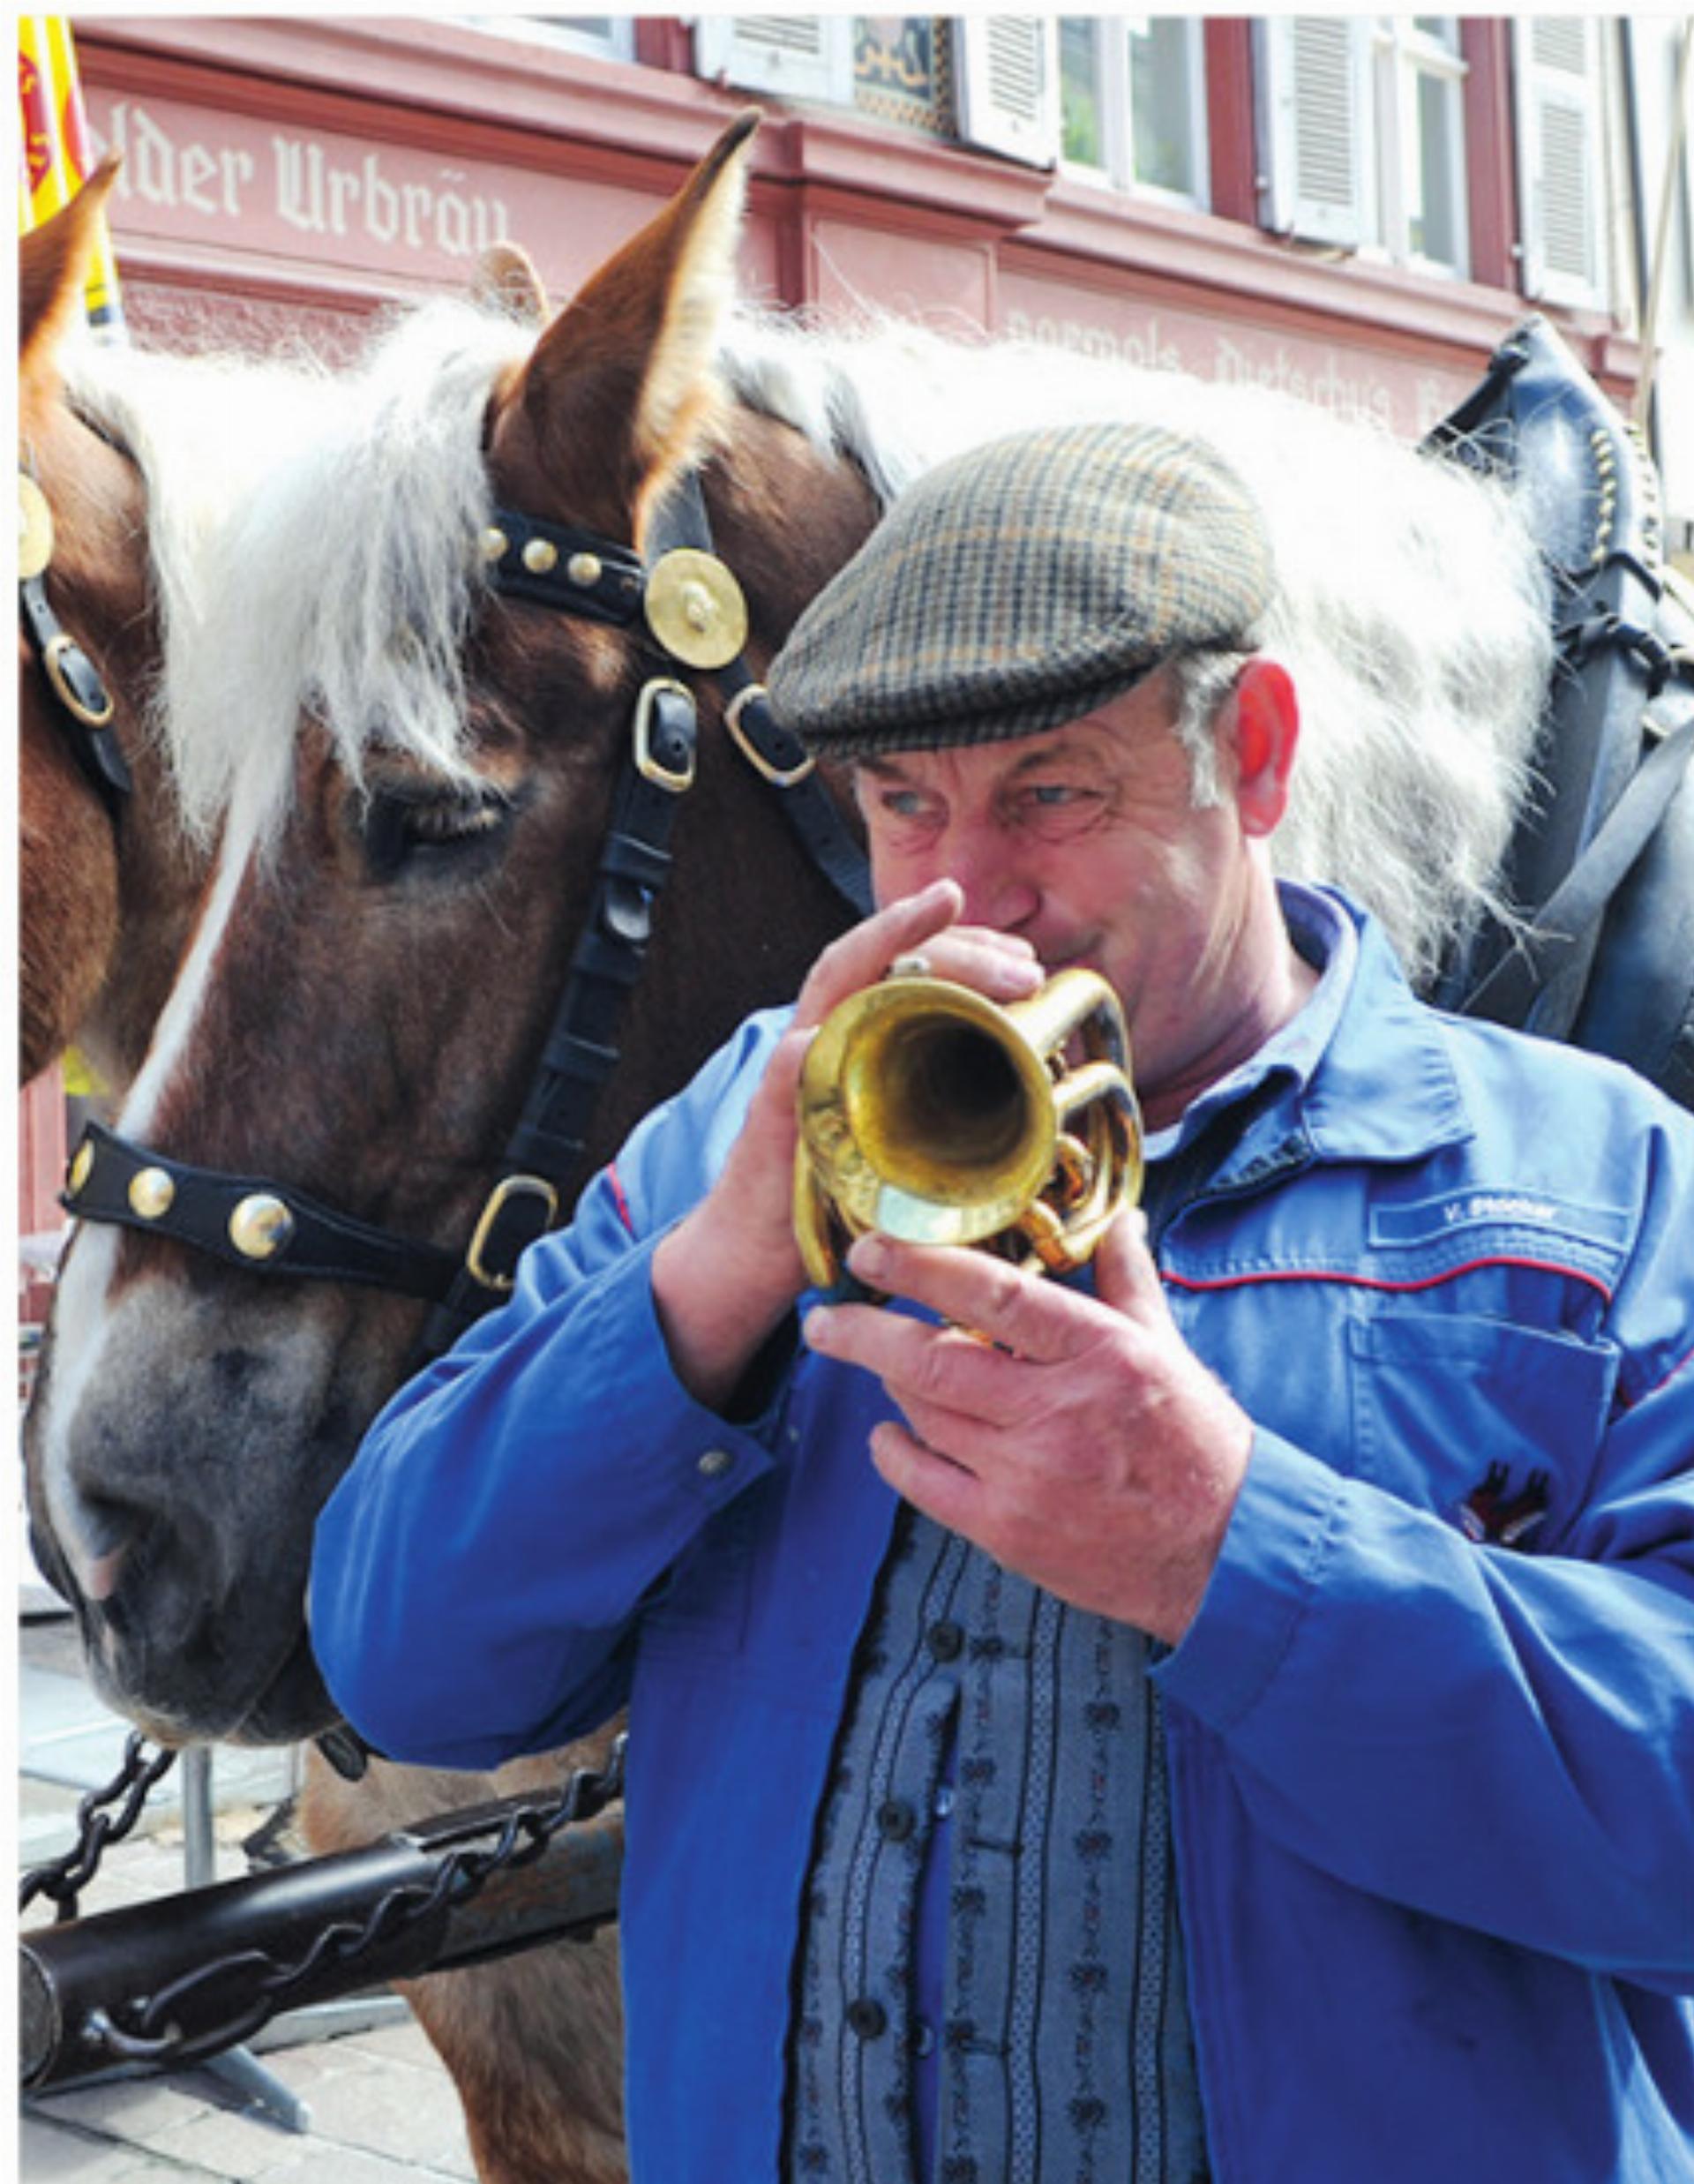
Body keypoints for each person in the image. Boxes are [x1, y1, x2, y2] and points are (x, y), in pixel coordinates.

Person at [310, 420, 1694, 2183]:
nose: (976, 890)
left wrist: (1228, 1543)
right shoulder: (729, 1141)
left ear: (1255, 755)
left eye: (1053, 790)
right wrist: (698, 1284)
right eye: (905, 805)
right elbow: (399, 1655)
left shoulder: (1600, 1181)